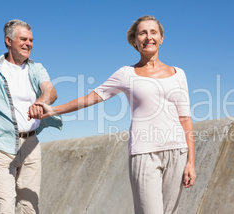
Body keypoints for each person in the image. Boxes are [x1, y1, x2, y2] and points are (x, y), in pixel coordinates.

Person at [30, 15, 196, 213]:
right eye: (142, 33)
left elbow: (185, 119)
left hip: (178, 152)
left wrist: (191, 162)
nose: (148, 37)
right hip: (144, 153)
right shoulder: (127, 73)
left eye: (153, 32)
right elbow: (91, 97)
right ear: (135, 41)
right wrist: (53, 110)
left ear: (161, 38)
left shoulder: (179, 74)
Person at [0, 19, 62, 214]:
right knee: (5, 207)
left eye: (31, 40)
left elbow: (51, 92)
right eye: (23, 39)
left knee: (29, 207)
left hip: (31, 146)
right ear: (8, 41)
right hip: (1, 148)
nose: (29, 44)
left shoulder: (36, 68)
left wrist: (39, 102)